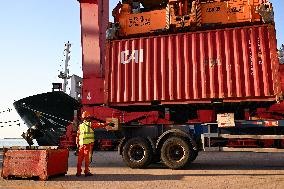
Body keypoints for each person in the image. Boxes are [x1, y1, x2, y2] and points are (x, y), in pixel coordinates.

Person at [76, 111, 113, 177]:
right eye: (89, 117)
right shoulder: (90, 124)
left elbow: (77, 135)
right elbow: (99, 124)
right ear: (87, 118)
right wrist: (108, 124)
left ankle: (78, 172)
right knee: (87, 159)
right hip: (87, 144)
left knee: (80, 158)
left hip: (81, 144)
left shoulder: (80, 126)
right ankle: (86, 172)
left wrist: (77, 144)